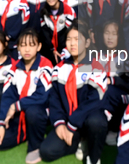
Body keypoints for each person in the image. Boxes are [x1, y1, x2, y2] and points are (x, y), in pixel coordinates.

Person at [40, 20, 108, 164]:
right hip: (67, 122)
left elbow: (94, 101)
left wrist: (72, 125)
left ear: (87, 43)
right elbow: (54, 99)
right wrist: (59, 124)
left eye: (77, 39)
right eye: (69, 39)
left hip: (86, 121)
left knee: (97, 121)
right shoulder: (59, 68)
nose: (72, 43)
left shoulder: (96, 66)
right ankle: (77, 142)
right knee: (46, 151)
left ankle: (93, 155)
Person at [0, 29, 53, 164]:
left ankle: (35, 145)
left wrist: (16, 105)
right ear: (18, 47)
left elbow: (42, 96)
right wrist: (1, 123)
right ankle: (24, 132)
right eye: (23, 45)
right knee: (0, 144)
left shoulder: (46, 65)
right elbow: (8, 95)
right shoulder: (14, 68)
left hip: (42, 110)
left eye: (31, 45)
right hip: (21, 110)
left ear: (39, 47)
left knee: (33, 111)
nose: (27, 49)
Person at [96, 20, 129, 147]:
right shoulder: (98, 55)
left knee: (108, 91)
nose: (110, 37)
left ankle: (114, 129)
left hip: (123, 96)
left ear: (120, 36)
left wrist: (113, 80)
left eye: (114, 34)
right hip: (103, 93)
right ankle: (93, 130)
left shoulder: (126, 56)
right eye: (106, 33)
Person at [40, 0, 76, 64]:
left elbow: (71, 33)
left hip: (66, 49)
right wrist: (52, 49)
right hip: (50, 50)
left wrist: (64, 50)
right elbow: (45, 33)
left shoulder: (68, 11)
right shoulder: (43, 12)